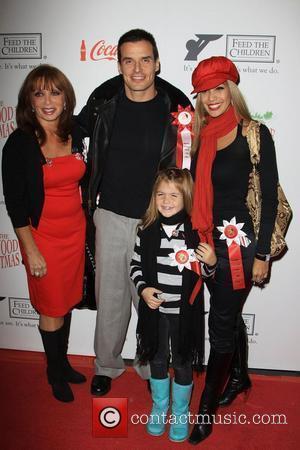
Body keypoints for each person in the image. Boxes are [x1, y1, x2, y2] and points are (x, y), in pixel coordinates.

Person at [76, 29, 192, 396]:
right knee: (111, 300)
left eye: (145, 59)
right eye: (129, 60)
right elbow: (67, 133)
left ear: (157, 63)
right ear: (120, 65)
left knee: (153, 299)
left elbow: (192, 165)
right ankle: (107, 367)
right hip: (109, 215)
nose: (138, 68)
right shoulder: (103, 105)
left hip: (156, 221)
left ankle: (150, 367)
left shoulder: (177, 111)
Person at [187, 56, 279, 444]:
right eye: (204, 91)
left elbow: (270, 198)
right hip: (206, 244)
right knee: (228, 316)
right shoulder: (199, 136)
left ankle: (205, 409)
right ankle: (239, 377)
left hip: (239, 248)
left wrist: (262, 255)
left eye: (219, 88)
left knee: (220, 327)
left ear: (232, 90)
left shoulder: (254, 133)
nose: (212, 97)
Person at [2, 65, 87, 403]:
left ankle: (62, 364)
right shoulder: (20, 143)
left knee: (64, 302)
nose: (48, 100)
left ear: (66, 98)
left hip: (75, 232)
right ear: (29, 101)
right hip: (42, 238)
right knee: (51, 307)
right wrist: (31, 250)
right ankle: (54, 373)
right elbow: (16, 204)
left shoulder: (77, 132)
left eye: (55, 92)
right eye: (39, 93)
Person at [130, 168, 217, 442]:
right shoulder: (145, 231)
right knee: (156, 358)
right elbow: (134, 266)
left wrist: (212, 262)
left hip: (184, 314)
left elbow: (206, 273)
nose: (166, 201)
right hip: (155, 314)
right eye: (161, 195)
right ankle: (159, 406)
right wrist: (143, 290)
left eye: (174, 196)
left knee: (181, 362)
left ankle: (180, 412)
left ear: (187, 198)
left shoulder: (195, 233)